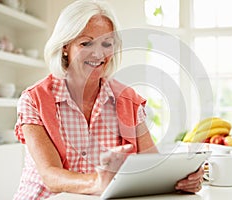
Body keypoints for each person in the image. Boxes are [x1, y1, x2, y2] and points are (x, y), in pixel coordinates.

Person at [13, 0, 204, 199]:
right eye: (86, 43)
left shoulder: (128, 101)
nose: (98, 53)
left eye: (106, 43)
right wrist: (98, 181)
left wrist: (182, 181)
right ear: (65, 47)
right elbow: (50, 176)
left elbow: (152, 168)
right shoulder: (34, 100)